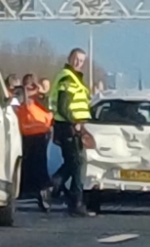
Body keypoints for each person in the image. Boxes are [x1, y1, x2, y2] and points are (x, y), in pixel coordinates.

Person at [49, 48, 93, 217]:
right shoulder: (67, 78)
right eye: (76, 59)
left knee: (74, 163)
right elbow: (63, 105)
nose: (78, 63)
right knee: (77, 163)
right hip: (68, 126)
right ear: (69, 58)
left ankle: (55, 189)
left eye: (81, 60)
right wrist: (75, 122)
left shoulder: (75, 78)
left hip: (73, 126)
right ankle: (74, 200)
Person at [15, 73, 54, 211]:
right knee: (27, 165)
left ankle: (43, 192)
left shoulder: (41, 98)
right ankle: (28, 191)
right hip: (26, 136)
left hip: (41, 135)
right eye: (26, 85)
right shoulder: (22, 97)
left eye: (31, 85)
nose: (28, 88)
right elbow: (21, 102)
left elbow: (47, 107)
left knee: (39, 166)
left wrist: (37, 91)